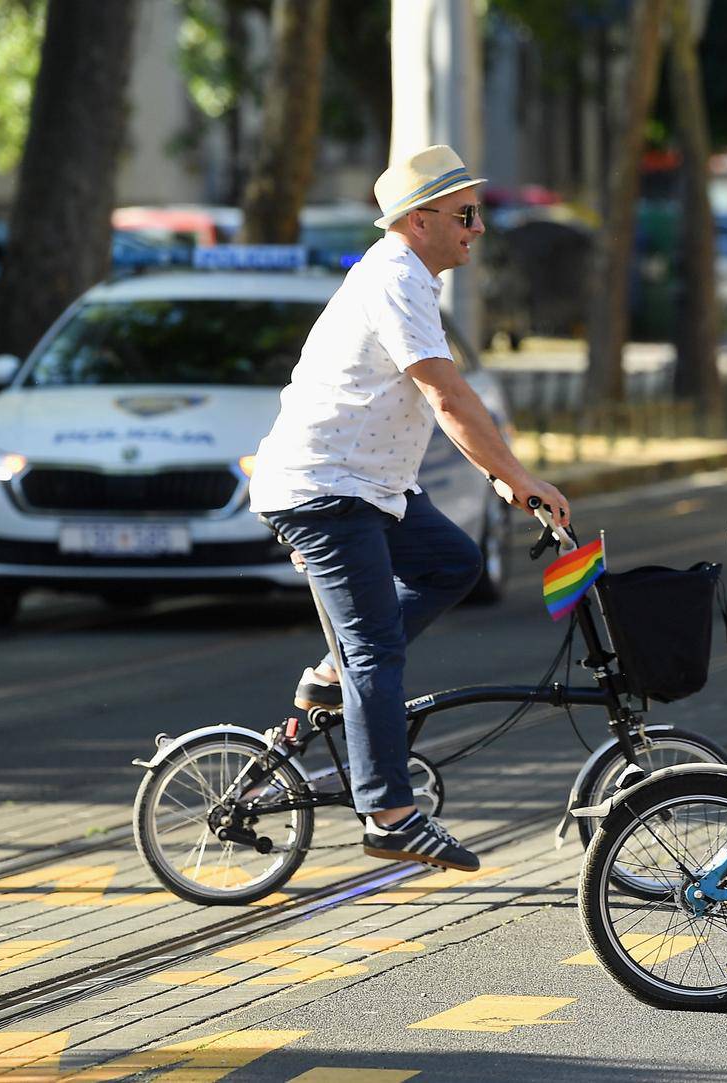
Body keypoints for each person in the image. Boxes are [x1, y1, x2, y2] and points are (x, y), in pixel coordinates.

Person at [249, 145, 571, 873]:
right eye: (464, 213)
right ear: (417, 220)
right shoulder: (394, 276)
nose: (478, 227)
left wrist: (498, 472)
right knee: (376, 650)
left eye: (477, 212)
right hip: (327, 488)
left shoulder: (413, 280)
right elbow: (446, 395)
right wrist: (519, 478)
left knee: (453, 563)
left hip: (371, 484)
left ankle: (334, 677)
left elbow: (445, 399)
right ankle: (388, 812)